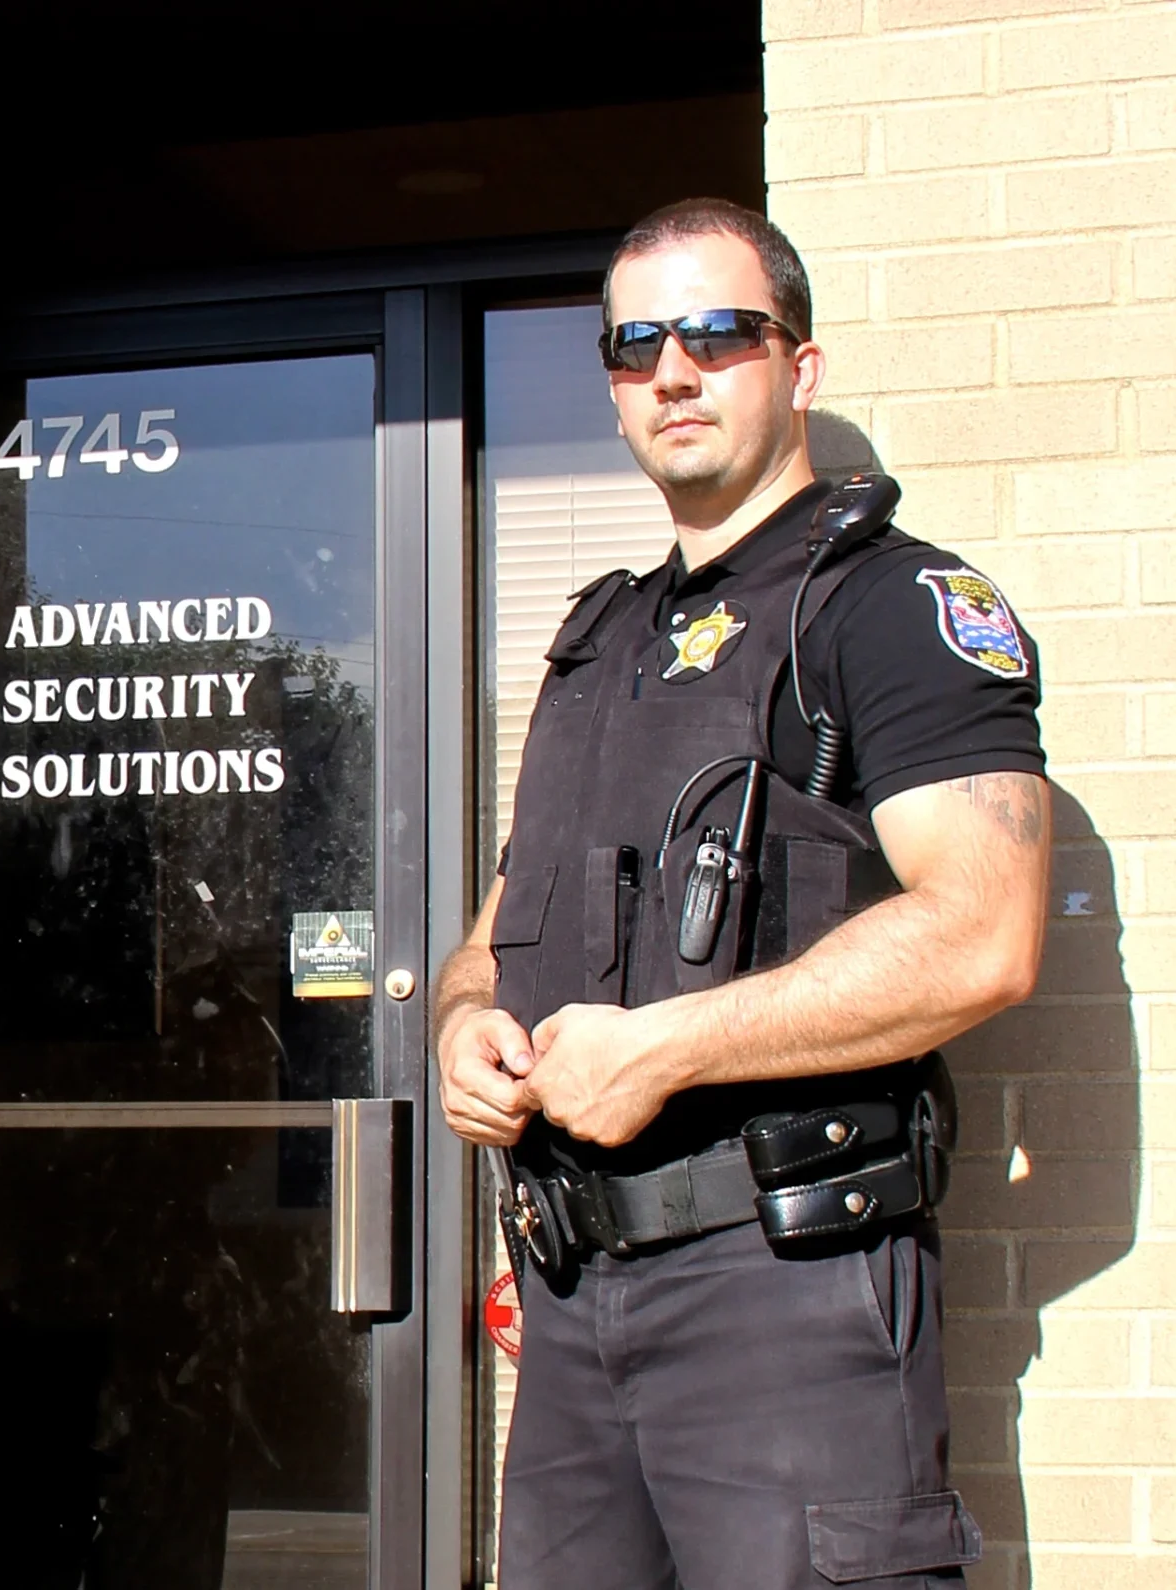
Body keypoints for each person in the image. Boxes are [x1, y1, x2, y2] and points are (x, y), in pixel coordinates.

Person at [431, 199, 1048, 1588]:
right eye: (634, 342)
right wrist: (463, 1023)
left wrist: (668, 1048)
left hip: (789, 1300)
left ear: (801, 365)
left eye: (718, 332)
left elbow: (986, 933)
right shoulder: (599, 636)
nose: (673, 371)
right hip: (576, 1302)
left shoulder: (890, 608)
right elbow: (501, 920)